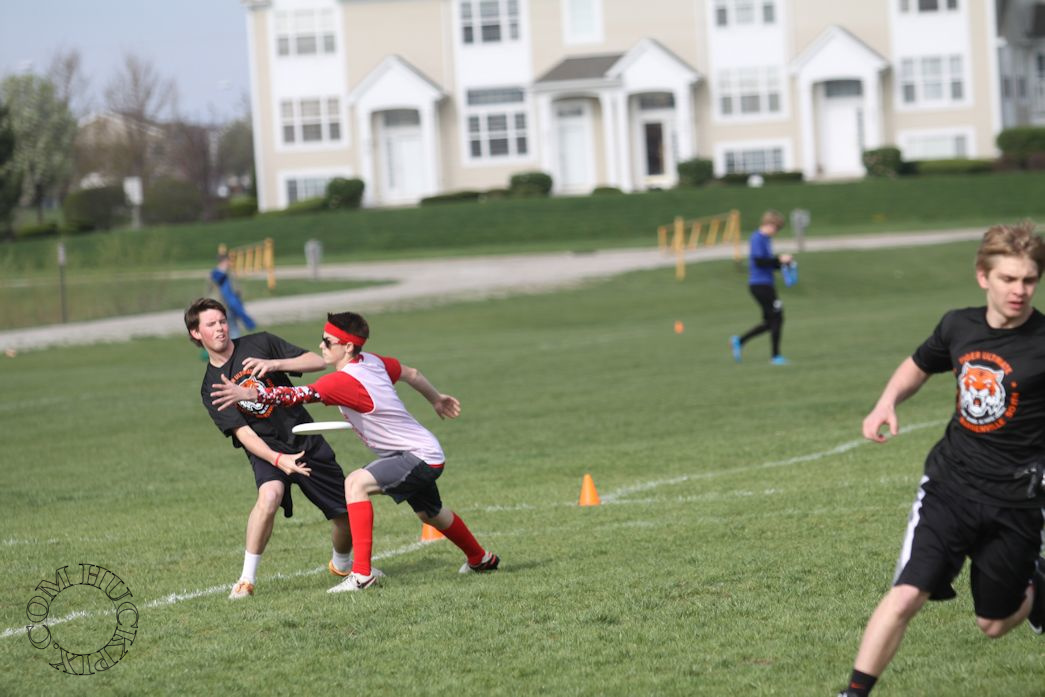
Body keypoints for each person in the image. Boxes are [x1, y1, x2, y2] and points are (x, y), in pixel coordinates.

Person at [836, 222, 1045, 697]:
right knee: (906, 594)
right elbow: (919, 365)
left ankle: (1037, 585)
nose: (1019, 290)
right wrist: (886, 402)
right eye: (1008, 279)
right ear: (983, 277)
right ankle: (854, 693)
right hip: (951, 485)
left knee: (993, 624)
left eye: (1029, 280)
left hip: (1017, 499)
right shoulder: (958, 326)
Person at [210, 310, 500, 592]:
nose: (321, 346)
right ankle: (481, 559)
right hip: (421, 452)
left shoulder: (344, 380)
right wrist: (436, 399)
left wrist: (251, 393)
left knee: (355, 483)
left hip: (417, 456)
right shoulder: (372, 361)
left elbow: (295, 395)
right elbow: (412, 373)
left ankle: (361, 575)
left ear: (348, 347)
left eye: (327, 342)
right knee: (432, 514)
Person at [185, 297, 356, 600]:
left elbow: (318, 362)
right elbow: (244, 434)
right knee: (269, 495)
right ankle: (245, 581)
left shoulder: (259, 343)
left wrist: (275, 364)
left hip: (304, 438)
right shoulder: (211, 386)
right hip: (266, 449)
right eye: (211, 324)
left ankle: (342, 565)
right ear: (196, 333)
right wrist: (279, 460)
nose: (220, 328)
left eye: (222, 321)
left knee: (344, 517)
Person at [730, 209, 794, 365]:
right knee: (777, 317)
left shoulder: (765, 239)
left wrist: (783, 264)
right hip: (760, 285)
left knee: (770, 322)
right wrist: (779, 259)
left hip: (765, 284)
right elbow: (759, 262)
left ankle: (740, 341)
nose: (776, 232)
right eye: (777, 228)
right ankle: (776, 357)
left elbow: (768, 264)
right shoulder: (757, 238)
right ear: (769, 224)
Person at [210, 253, 256, 339]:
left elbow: (235, 288)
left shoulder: (228, 273)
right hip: (223, 305)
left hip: (232, 304)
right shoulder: (216, 273)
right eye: (228, 261)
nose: (230, 263)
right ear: (224, 262)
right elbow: (216, 283)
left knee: (234, 326)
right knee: (230, 327)